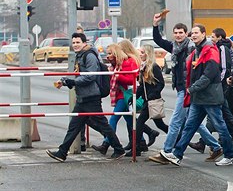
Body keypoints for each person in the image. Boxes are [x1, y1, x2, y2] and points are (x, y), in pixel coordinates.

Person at [149, 16, 223, 164]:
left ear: (186, 34)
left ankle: (167, 151)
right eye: (175, 33)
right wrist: (155, 25)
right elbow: (158, 41)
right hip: (181, 88)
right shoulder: (175, 47)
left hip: (187, 89)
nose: (178, 35)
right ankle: (215, 146)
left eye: (181, 33)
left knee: (176, 120)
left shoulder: (191, 48)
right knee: (193, 122)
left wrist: (192, 87)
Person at [160, 24, 233, 166]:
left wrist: (191, 88)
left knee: (220, 126)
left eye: (196, 33)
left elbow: (209, 75)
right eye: (192, 33)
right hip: (198, 97)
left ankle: (229, 154)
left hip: (210, 97)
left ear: (203, 34)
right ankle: (177, 155)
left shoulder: (210, 51)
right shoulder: (197, 51)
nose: (193, 35)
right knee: (189, 127)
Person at [46, 33, 126, 162]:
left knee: (103, 125)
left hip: (91, 96)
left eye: (78, 42)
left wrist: (72, 82)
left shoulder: (89, 55)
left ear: (84, 43)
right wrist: (66, 80)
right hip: (83, 97)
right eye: (74, 43)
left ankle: (119, 149)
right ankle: (62, 152)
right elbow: (79, 75)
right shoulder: (81, 55)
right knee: (74, 126)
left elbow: (90, 76)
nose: (75, 45)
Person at [91, 43, 138, 154]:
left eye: (110, 53)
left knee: (113, 119)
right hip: (121, 95)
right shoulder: (115, 64)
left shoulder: (125, 63)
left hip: (125, 95)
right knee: (131, 121)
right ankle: (142, 141)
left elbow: (131, 80)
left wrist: (116, 75)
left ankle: (106, 144)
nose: (108, 56)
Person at [127, 44, 169, 157]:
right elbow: (142, 86)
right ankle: (177, 138)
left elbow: (161, 83)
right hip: (148, 101)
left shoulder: (154, 67)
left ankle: (136, 148)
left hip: (153, 101)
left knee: (139, 123)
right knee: (160, 125)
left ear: (147, 54)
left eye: (142, 52)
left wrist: (153, 94)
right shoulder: (143, 67)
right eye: (139, 52)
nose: (140, 54)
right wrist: (135, 96)